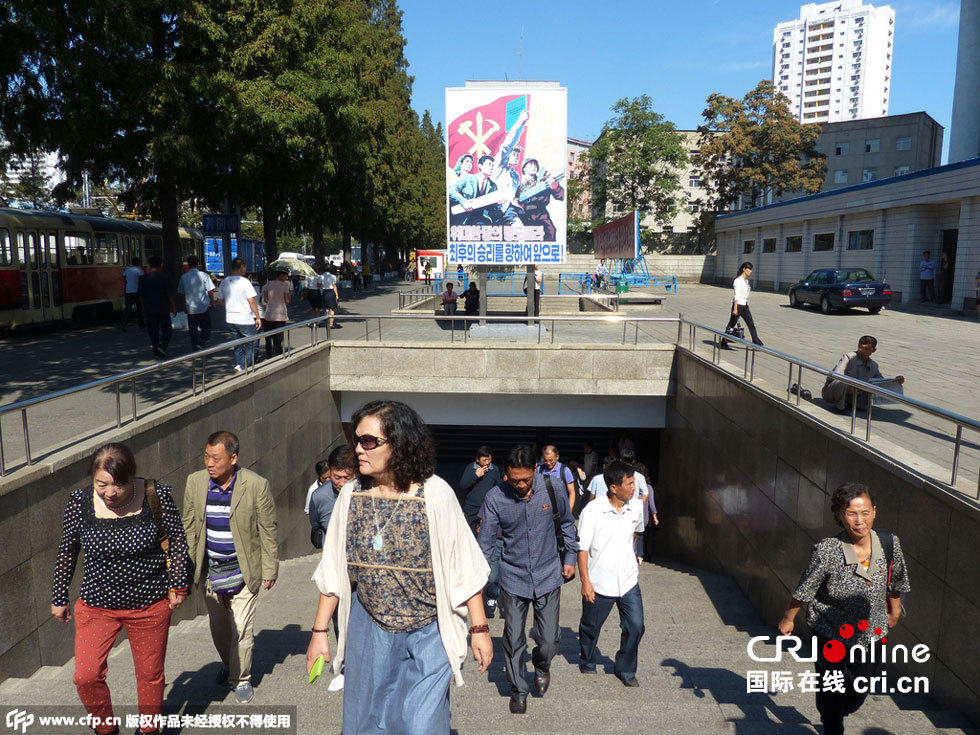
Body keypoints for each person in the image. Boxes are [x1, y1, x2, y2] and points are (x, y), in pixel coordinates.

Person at [306, 400, 492, 734]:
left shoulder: (436, 494)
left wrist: (479, 630)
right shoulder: (350, 495)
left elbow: (463, 565)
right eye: (357, 440)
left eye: (369, 441)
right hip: (369, 627)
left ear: (400, 444)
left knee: (420, 724)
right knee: (368, 723)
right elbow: (334, 569)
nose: (359, 450)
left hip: (429, 629)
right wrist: (320, 632)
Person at [52, 443, 189, 735]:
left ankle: (148, 730)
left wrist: (178, 583)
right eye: (102, 484)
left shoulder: (155, 495)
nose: (110, 493)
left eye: (119, 485)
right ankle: (106, 729)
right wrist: (59, 595)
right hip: (96, 605)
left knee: (150, 676)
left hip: (149, 604)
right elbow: (68, 550)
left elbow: (177, 540)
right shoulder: (79, 502)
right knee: (86, 676)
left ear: (132, 478)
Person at [778, 483, 909, 735]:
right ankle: (832, 722)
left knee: (859, 690)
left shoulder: (889, 543)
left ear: (874, 512)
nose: (860, 521)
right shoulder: (827, 550)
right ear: (839, 515)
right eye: (851, 513)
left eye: (865, 512)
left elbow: (897, 580)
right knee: (833, 688)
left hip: (872, 632)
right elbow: (807, 586)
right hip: (829, 629)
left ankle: (832, 706)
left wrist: (894, 611)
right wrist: (788, 617)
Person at [181, 430, 279, 704]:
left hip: (243, 571)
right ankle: (229, 663)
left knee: (242, 628)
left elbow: (268, 530)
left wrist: (270, 569)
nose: (208, 463)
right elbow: (189, 528)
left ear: (233, 458)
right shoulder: (196, 483)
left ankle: (242, 678)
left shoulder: (256, 485)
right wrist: (184, 571)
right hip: (212, 572)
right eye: (206, 456)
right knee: (220, 628)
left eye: (215, 458)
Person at [478, 444, 577, 715]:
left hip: (547, 574)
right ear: (506, 474)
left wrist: (570, 559)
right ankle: (518, 689)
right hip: (513, 577)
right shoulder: (495, 497)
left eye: (526, 479)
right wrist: (479, 581)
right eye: (514, 479)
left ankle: (541, 664)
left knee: (548, 640)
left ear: (535, 469)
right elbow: (485, 543)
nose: (520, 485)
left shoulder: (553, 488)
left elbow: (567, 524)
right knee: (512, 638)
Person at [577, 460, 645, 687]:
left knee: (636, 626)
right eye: (629, 483)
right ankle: (587, 660)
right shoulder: (593, 511)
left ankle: (625, 669)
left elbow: (635, 534)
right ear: (614, 487)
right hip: (599, 582)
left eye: (634, 482)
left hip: (628, 580)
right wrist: (586, 582)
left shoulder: (635, 507)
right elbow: (583, 549)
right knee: (590, 627)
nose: (634, 487)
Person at [459, 446, 503, 617]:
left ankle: (490, 591)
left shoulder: (494, 470)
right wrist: (475, 476)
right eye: (484, 459)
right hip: (472, 510)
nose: (487, 462)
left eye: (489, 459)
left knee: (487, 546)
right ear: (477, 460)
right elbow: (463, 486)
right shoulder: (470, 469)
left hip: (488, 511)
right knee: (471, 546)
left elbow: (498, 488)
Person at [821, 335, 905, 412]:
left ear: (874, 350)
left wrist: (896, 381)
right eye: (860, 347)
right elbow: (837, 375)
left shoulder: (874, 366)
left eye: (866, 349)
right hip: (833, 392)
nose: (861, 351)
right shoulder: (848, 357)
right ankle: (840, 407)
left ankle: (852, 404)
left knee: (871, 388)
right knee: (841, 381)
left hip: (855, 395)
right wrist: (849, 384)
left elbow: (881, 382)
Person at [216, 258, 262, 373]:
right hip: (244, 318)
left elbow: (220, 301)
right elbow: (251, 301)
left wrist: (231, 304)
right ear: (241, 267)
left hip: (231, 318)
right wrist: (258, 317)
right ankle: (243, 365)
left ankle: (239, 364)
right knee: (253, 343)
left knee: (237, 344)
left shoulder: (224, 281)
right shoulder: (245, 282)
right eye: (245, 267)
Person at [309, 446, 357, 549]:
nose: (342, 483)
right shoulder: (318, 497)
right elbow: (316, 526)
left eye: (347, 478)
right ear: (330, 472)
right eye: (337, 477)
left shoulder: (368, 492)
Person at [138, 256, 176, 360]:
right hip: (163, 308)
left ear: (149, 265)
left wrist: (143, 307)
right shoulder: (165, 278)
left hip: (149, 308)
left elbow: (140, 295)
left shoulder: (143, 278)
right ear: (160, 265)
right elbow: (170, 295)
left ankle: (156, 348)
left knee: (152, 330)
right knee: (167, 330)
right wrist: (173, 307)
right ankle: (162, 347)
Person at [517, 159, 565, 241]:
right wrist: (518, 205)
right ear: (524, 169)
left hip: (542, 216)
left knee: (550, 233)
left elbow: (561, 196)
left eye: (535, 165)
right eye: (530, 164)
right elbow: (516, 203)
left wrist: (556, 187)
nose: (534, 167)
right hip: (526, 218)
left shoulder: (544, 181)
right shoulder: (520, 188)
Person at [720, 261, 763, 349]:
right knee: (731, 324)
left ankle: (756, 341)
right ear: (744, 269)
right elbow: (737, 295)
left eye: (751, 270)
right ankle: (724, 342)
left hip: (745, 305)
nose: (750, 271)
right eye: (749, 269)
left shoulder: (746, 281)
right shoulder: (738, 280)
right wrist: (735, 309)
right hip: (738, 305)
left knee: (751, 324)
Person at [178, 255, 215, 350]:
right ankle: (201, 343)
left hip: (190, 307)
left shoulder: (183, 277)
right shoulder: (204, 275)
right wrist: (212, 302)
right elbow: (210, 291)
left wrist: (184, 306)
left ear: (188, 264)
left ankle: (195, 346)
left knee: (193, 330)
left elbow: (182, 294)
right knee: (206, 328)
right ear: (197, 264)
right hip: (203, 307)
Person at [261, 268, 291, 358]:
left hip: (269, 313)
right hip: (280, 314)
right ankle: (278, 355)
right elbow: (287, 300)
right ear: (281, 275)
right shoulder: (285, 285)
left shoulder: (268, 284)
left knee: (268, 337)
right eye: (285, 275)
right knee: (278, 337)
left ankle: (268, 355)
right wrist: (289, 294)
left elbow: (266, 299)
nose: (286, 277)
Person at [537, 444, 576, 511]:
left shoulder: (565, 471)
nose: (548, 463)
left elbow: (572, 493)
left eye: (551, 460)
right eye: (545, 460)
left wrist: (569, 512)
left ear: (557, 457)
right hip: (543, 510)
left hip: (561, 509)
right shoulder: (539, 470)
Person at [121, 257, 145, 330]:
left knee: (128, 309)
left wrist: (128, 282)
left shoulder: (128, 270)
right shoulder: (140, 270)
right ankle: (141, 324)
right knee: (139, 309)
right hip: (137, 292)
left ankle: (124, 324)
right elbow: (142, 281)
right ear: (138, 263)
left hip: (128, 292)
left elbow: (122, 279)